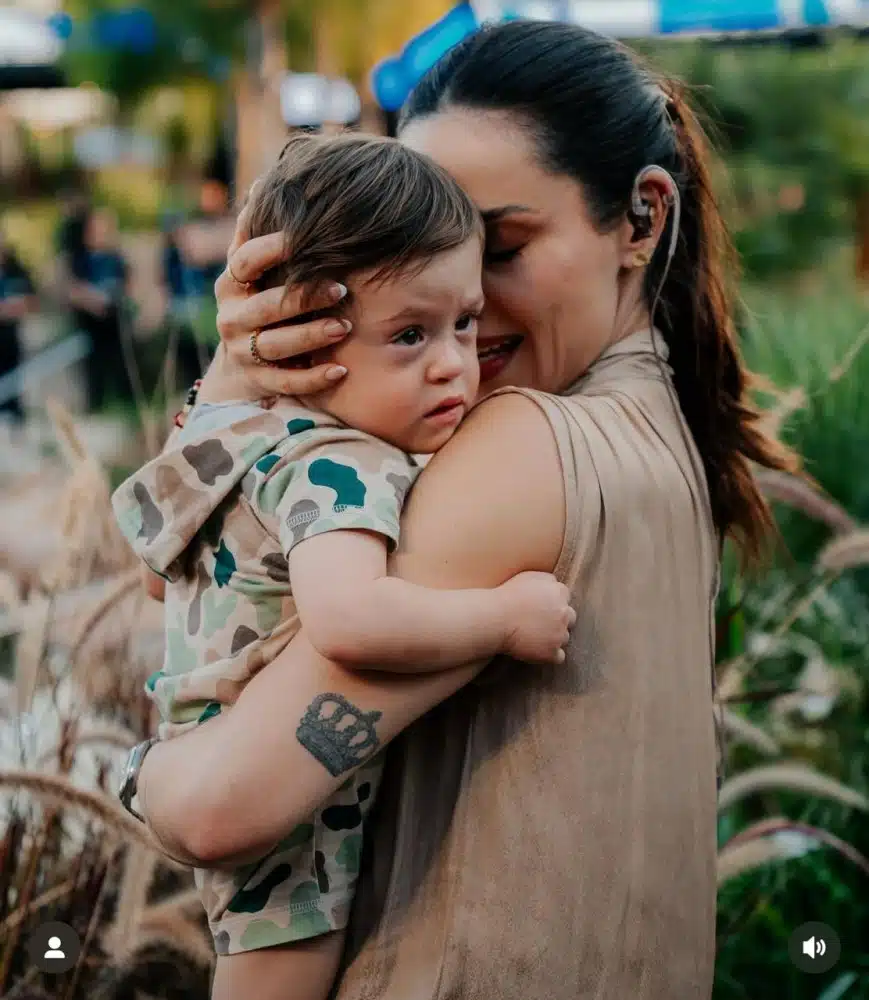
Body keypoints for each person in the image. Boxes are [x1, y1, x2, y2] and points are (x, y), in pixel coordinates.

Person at [128, 21, 797, 999]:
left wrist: (138, 769)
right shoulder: (664, 434)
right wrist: (245, 378)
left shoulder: (518, 448)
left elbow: (225, 806)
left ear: (640, 220)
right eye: (419, 254)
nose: (456, 296)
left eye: (502, 246)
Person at [114, 134, 573, 1000]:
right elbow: (351, 620)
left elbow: (153, 571)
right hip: (287, 834)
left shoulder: (245, 425)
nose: (453, 362)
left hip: (216, 756)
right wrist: (504, 619)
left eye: (464, 322)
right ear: (301, 336)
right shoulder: (343, 469)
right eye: (408, 334)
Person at [69, 208, 130, 411]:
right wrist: (92, 301)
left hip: (114, 319)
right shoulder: (80, 259)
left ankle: (123, 404)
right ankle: (95, 404)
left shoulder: (116, 258)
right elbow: (73, 289)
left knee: (119, 362)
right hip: (90, 321)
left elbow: (126, 285)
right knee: (93, 367)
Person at [0, 230, 37, 423]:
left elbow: (31, 300)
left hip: (10, 337)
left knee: (13, 380)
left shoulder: (17, 269)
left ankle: (14, 417)